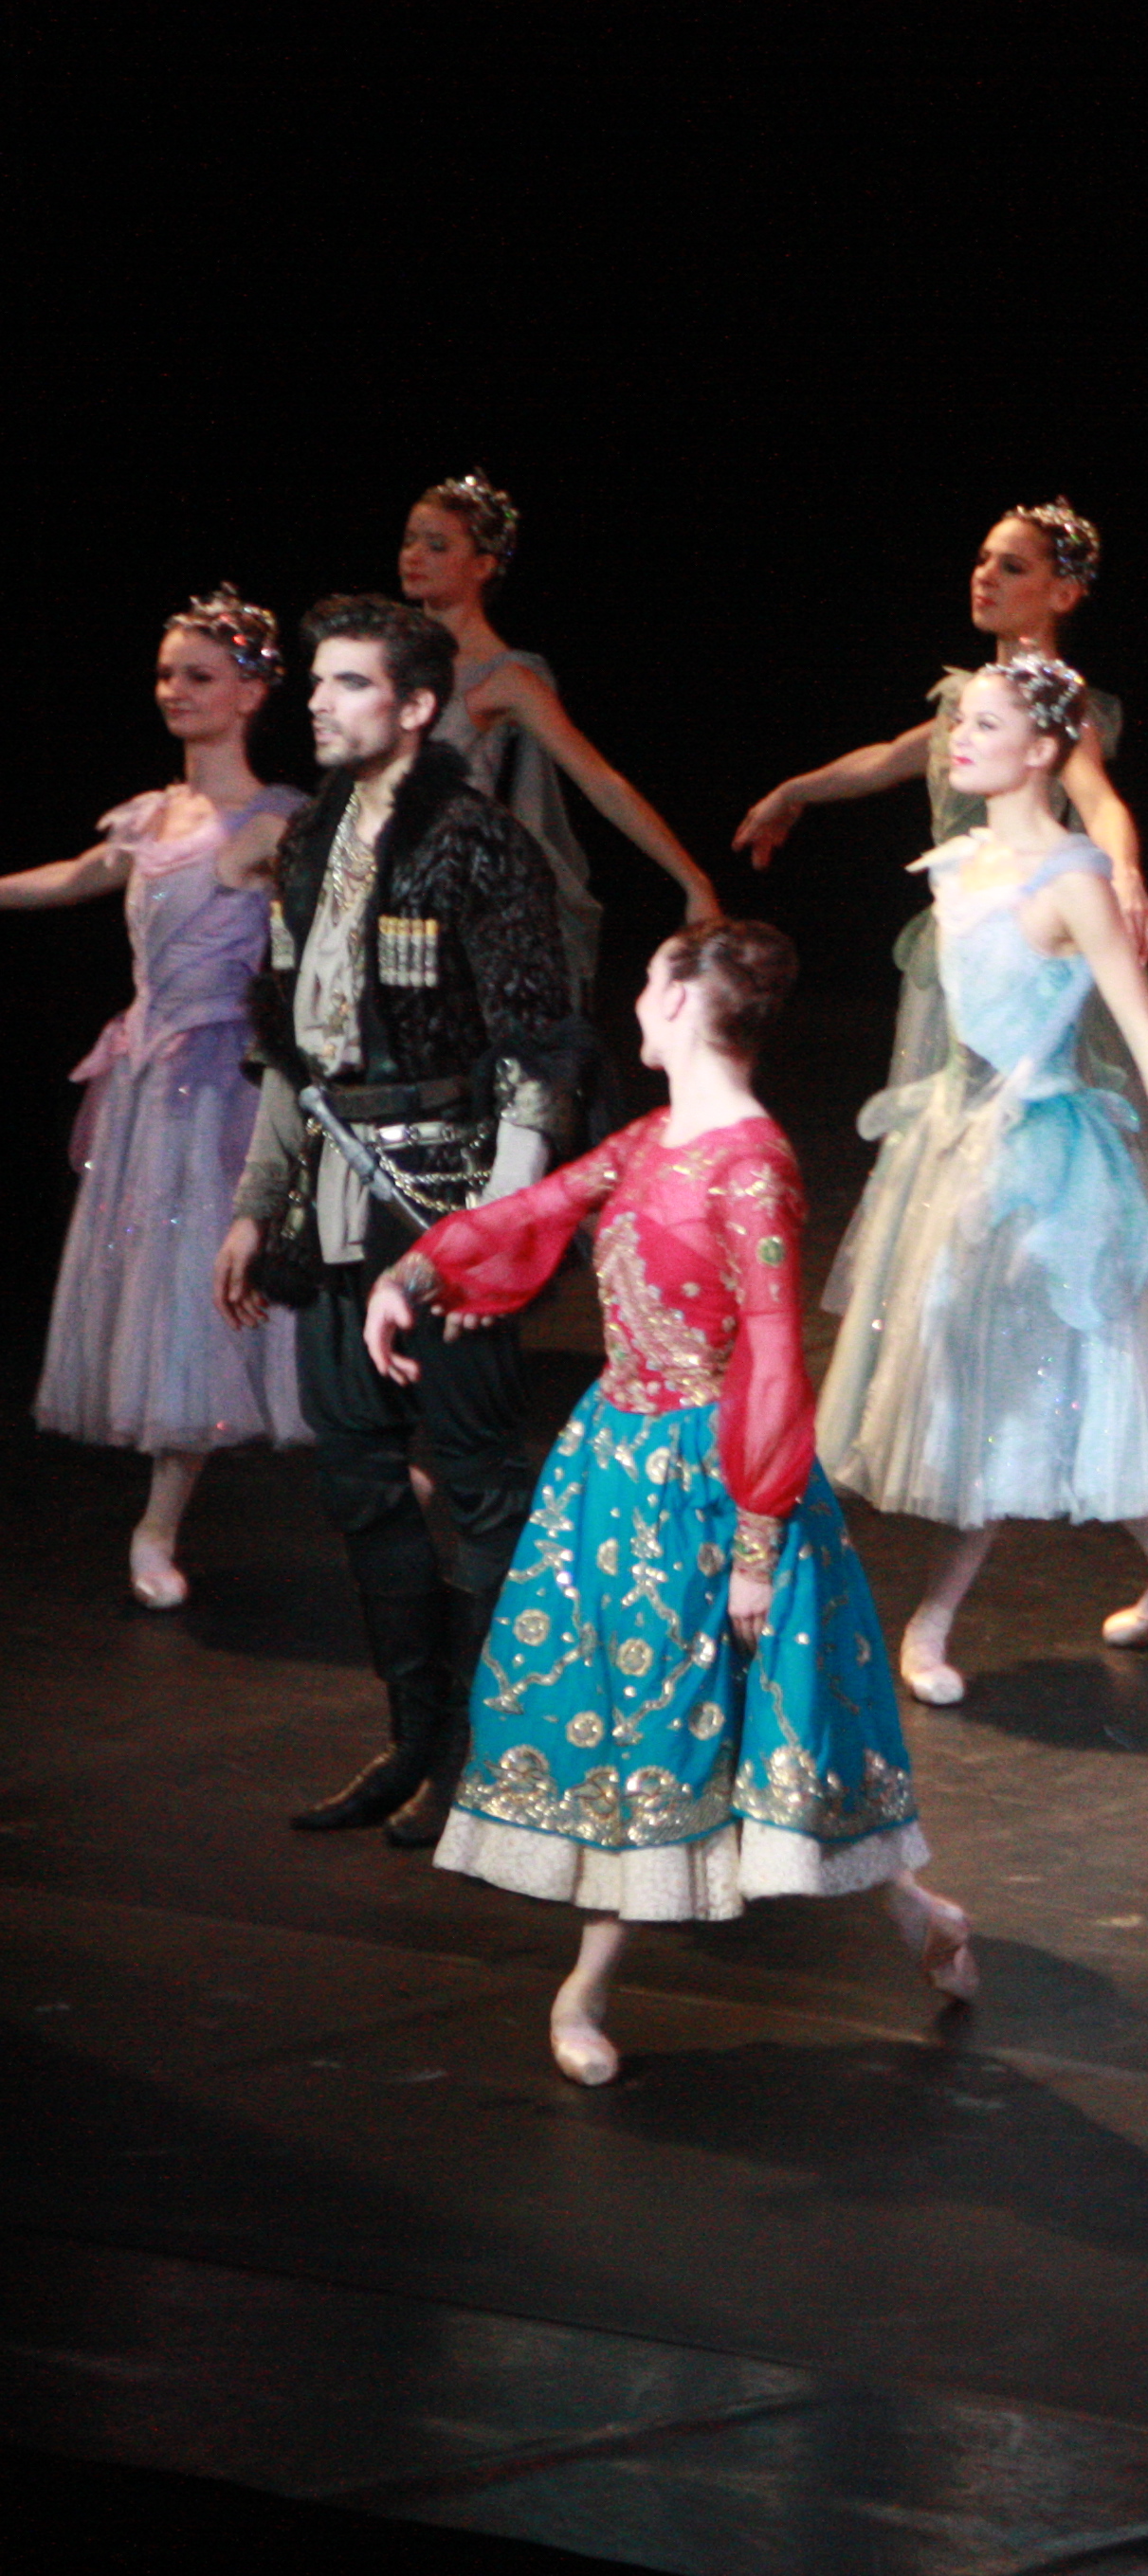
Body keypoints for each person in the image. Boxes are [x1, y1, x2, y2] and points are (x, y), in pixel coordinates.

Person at [373, 920, 975, 2085]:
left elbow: (773, 1357)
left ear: (689, 1003)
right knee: (651, 1720)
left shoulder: (751, 1164)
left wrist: (756, 1540)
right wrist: (414, 1271)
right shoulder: (654, 1138)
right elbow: (539, 1208)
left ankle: (590, 1985)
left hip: (712, 1482)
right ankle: (918, 1915)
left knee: (699, 1724)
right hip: (615, 1466)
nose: (637, 998)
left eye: (652, 980)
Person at [731, 500, 1148, 1415]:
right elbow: (896, 756)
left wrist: (1123, 871)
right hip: (964, 960)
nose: (986, 578)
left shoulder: (1056, 706)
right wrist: (793, 792)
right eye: (982, 560)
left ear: (1063, 593)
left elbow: (1101, 797)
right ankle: (925, 1382)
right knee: (945, 1153)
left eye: (1012, 567)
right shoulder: (970, 701)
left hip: (1041, 959)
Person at [214, 596, 578, 1846]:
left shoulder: (481, 848)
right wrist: (255, 1205)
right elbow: (292, 1051)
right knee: (360, 1478)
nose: (319, 702)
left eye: (350, 683)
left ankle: (484, 1753)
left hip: (445, 1198)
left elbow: (534, 1056)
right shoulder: (310, 842)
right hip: (330, 1199)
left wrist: (492, 1234)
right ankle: (413, 1739)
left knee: (475, 1478)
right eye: (318, 681)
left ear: (417, 706)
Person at [813, 658, 1148, 1702]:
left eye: (985, 725)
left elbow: (1146, 1037)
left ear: (1042, 749)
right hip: (961, 1140)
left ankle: (936, 1616)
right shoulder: (959, 863)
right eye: (960, 720)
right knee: (1005, 1375)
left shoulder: (1071, 882)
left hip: (1043, 1161)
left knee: (1003, 1379)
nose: (959, 738)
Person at [4, 590, 310, 1607]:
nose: (176, 690)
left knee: (223, 1288)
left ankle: (176, 1516)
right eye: (168, 674)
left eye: (200, 676)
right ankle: (159, 1522)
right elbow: (71, 877)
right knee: (170, 1295)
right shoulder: (148, 818)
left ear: (252, 693)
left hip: (218, 1086)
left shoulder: (272, 824)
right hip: (145, 1082)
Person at [398, 468, 720, 1000]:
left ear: (483, 565)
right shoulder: (383, 658)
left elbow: (601, 781)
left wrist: (692, 879)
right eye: (410, 540)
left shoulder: (505, 678)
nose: (414, 555)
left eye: (436, 545)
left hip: (446, 894)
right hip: (368, 879)